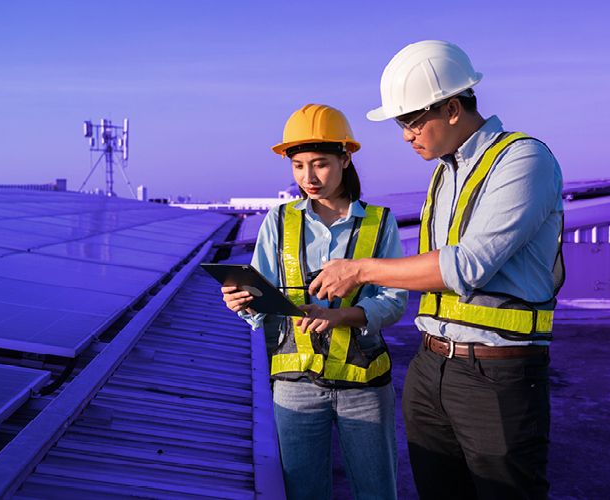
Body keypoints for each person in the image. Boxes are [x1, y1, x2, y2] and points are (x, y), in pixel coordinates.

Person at [306, 40, 565, 499]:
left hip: (496, 374)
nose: (405, 134)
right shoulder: (444, 173)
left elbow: (467, 265)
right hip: (431, 368)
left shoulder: (524, 160)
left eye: (410, 120)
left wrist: (360, 270)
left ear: (450, 108)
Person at [222, 103, 406, 500]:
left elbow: (393, 301)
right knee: (304, 493)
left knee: (377, 492)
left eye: (320, 164)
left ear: (345, 157)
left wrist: (341, 315)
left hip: (364, 385)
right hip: (294, 385)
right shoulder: (279, 221)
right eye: (298, 166)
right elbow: (263, 295)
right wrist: (244, 302)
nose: (309, 177)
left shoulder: (379, 221)